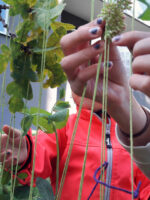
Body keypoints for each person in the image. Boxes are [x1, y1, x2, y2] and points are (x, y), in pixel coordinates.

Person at [1, 18, 150, 199]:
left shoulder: (131, 137)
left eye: (100, 75)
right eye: (82, 73)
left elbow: (146, 185)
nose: (93, 87)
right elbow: (42, 146)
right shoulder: (66, 126)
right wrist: (26, 150)